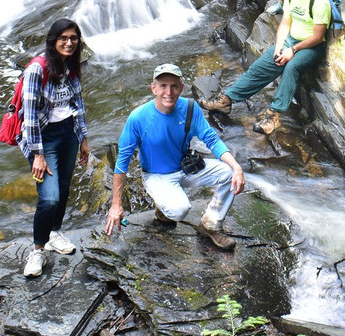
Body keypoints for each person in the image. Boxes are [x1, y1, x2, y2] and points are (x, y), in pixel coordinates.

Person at [105, 64, 246, 251]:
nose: (168, 92)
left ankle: (211, 225)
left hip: (187, 168)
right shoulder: (138, 118)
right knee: (180, 210)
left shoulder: (190, 108)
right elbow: (122, 162)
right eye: (163, 86)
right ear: (153, 88)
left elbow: (211, 139)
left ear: (181, 87)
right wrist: (116, 205)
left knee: (230, 173)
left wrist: (237, 167)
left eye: (173, 86)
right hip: (157, 175)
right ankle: (163, 208)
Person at [202, 0, 331, 135]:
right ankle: (227, 100)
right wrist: (279, 46)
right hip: (291, 40)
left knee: (292, 67)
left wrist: (292, 50)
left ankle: (273, 115)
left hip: (312, 46)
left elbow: (317, 36)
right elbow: (285, 23)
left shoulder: (319, 0)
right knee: (261, 65)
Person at [19, 18, 92, 278]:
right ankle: (37, 249)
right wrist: (37, 154)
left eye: (73, 38)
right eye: (64, 38)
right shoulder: (36, 70)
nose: (69, 43)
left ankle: (54, 233)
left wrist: (83, 138)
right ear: (53, 40)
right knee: (48, 196)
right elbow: (28, 116)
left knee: (62, 189)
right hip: (44, 138)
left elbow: (78, 102)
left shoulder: (70, 66)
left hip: (68, 133)